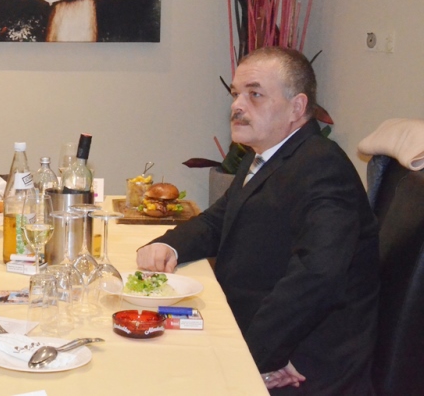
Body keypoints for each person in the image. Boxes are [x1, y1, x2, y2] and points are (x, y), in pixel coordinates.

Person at [137, 47, 379, 395]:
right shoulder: (267, 156)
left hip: (303, 364)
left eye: (255, 95)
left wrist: (255, 357)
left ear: (297, 107)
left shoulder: (322, 166)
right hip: (259, 330)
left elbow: (317, 277)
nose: (237, 105)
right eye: (236, 94)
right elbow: (220, 219)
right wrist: (169, 245)